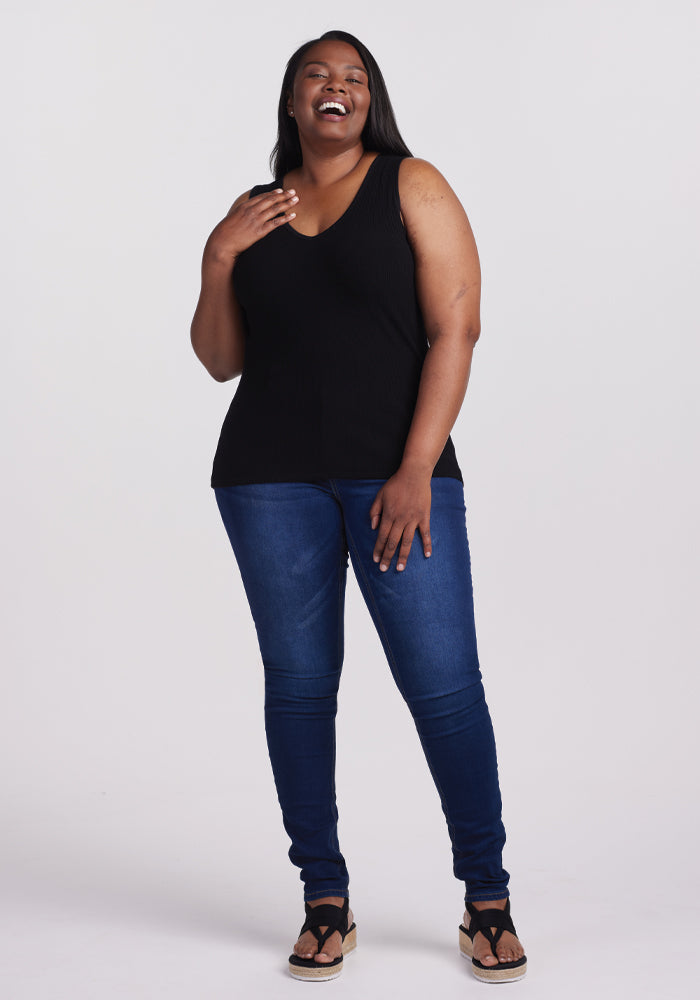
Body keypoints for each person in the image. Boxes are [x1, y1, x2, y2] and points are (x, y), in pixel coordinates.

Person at [190, 29, 527, 984]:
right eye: (316, 77)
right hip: (266, 477)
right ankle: (323, 897)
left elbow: (455, 327)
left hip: (397, 476)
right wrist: (219, 259)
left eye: (354, 77)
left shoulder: (411, 184)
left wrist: (417, 468)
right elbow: (222, 359)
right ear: (292, 101)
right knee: (299, 688)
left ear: (369, 99)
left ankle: (487, 896)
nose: (335, 89)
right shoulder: (254, 211)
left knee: (444, 688)